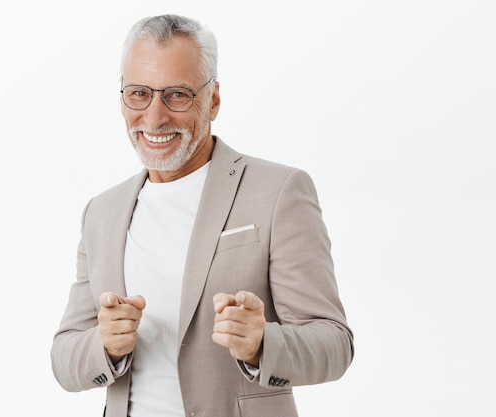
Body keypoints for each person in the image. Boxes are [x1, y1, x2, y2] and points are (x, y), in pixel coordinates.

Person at [51, 14, 354, 417]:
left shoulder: (279, 191)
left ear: (212, 99)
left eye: (177, 94)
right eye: (139, 93)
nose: (155, 117)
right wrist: (103, 345)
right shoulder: (101, 212)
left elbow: (334, 343)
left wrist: (263, 343)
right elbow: (64, 357)